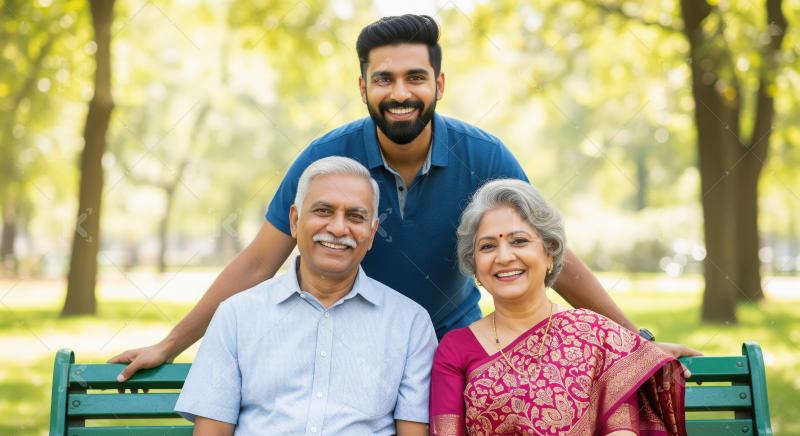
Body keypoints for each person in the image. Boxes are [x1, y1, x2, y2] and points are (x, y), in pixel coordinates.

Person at [110, 14, 697, 381]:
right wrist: (170, 343)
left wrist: (635, 341)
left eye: (415, 77)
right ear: (362, 86)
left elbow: (551, 256)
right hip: (346, 345)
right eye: (384, 79)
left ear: (438, 84)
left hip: (452, 350)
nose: (400, 92)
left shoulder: (484, 156)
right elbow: (257, 263)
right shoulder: (326, 161)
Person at [174, 157, 436, 435]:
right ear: (295, 221)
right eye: (323, 211)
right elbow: (213, 430)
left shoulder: (410, 324)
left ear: (371, 234)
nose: (338, 228)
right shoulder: (237, 316)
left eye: (355, 216)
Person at [429, 179, 687, 435]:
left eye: (519, 241)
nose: (504, 257)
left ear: (550, 252)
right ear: (474, 265)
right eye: (488, 246)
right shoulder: (455, 350)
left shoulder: (597, 337)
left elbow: (621, 431)